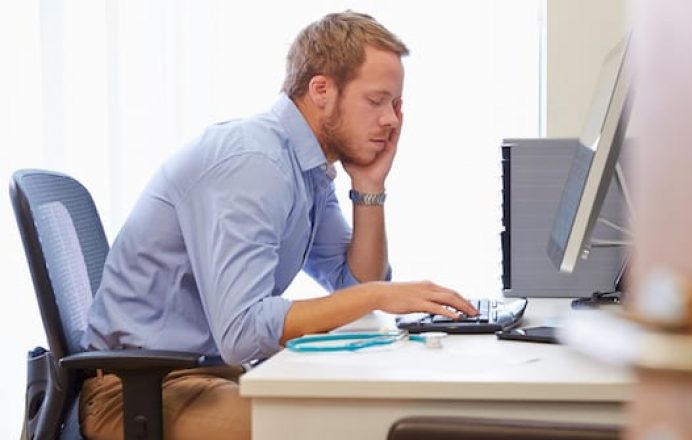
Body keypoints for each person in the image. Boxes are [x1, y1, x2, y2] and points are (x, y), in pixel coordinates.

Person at [79, 11, 477, 440]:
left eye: (396, 104)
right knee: (354, 428)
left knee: (381, 408)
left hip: (206, 376)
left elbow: (353, 282)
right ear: (321, 90)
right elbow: (243, 331)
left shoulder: (304, 167)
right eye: (376, 101)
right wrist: (382, 293)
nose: (392, 120)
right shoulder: (256, 163)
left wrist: (369, 188)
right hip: (138, 396)